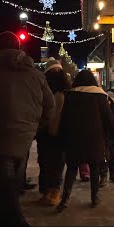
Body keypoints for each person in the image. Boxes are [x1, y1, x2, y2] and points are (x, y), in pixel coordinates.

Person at [0, 31, 56, 227]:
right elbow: (50, 107)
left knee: (5, 188)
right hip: (23, 141)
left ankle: (17, 222)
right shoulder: (35, 74)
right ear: (19, 49)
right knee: (11, 187)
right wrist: (34, 128)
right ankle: (3, 221)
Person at [56, 70, 114, 212]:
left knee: (71, 168)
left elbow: (64, 119)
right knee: (94, 167)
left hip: (74, 138)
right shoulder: (100, 95)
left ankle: (65, 199)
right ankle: (94, 197)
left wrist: (61, 139)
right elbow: (109, 119)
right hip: (94, 139)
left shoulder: (70, 95)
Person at [37, 58, 70, 206]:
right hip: (50, 132)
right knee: (47, 162)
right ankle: (49, 191)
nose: (56, 73)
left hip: (54, 132)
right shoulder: (64, 91)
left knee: (52, 163)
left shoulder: (62, 92)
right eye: (53, 71)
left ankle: (53, 191)